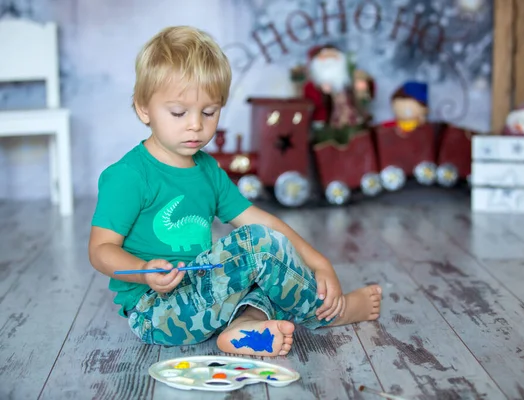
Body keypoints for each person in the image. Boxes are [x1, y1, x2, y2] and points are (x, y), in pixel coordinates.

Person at [88, 26, 382, 357]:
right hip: (157, 311)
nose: (195, 125)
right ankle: (328, 311)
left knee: (267, 271)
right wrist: (143, 272)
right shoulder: (128, 176)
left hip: (207, 299)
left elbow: (266, 223)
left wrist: (320, 262)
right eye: (178, 112)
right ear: (144, 109)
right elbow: (100, 249)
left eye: (209, 112)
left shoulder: (207, 169)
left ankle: (244, 327)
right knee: (256, 247)